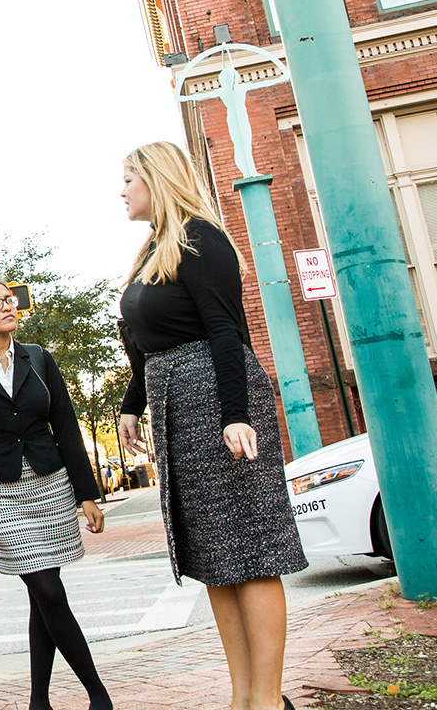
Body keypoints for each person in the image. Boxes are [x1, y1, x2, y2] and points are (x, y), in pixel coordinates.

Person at [117, 142, 307, 710]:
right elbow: (148, 341)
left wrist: (235, 415)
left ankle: (268, 700)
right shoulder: (153, 248)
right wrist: (132, 402)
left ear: (157, 179)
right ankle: (242, 697)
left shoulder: (202, 239)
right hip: (176, 401)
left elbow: (226, 330)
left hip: (217, 399)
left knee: (253, 549)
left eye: (128, 179)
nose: (120, 191)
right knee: (216, 559)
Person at [0, 277, 113, 710]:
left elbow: (67, 427)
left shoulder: (38, 359)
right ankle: (99, 696)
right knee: (48, 589)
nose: (7, 306)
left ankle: (39, 701)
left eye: (8, 299)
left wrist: (86, 493)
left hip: (50, 485)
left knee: (43, 593)